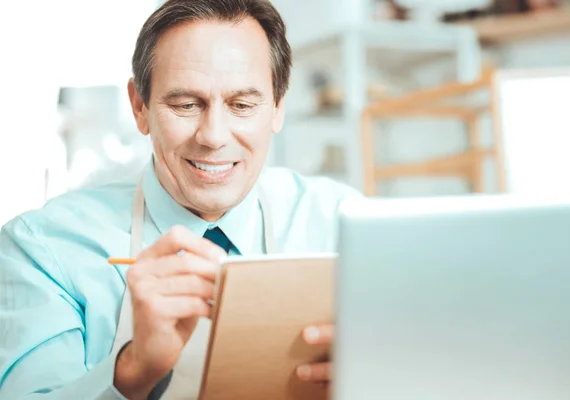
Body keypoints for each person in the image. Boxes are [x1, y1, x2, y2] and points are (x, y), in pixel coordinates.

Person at [0, 0, 361, 398]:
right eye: (186, 104)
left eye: (242, 105)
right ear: (140, 107)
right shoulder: (43, 248)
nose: (214, 136)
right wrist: (132, 370)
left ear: (277, 107)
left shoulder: (347, 225)